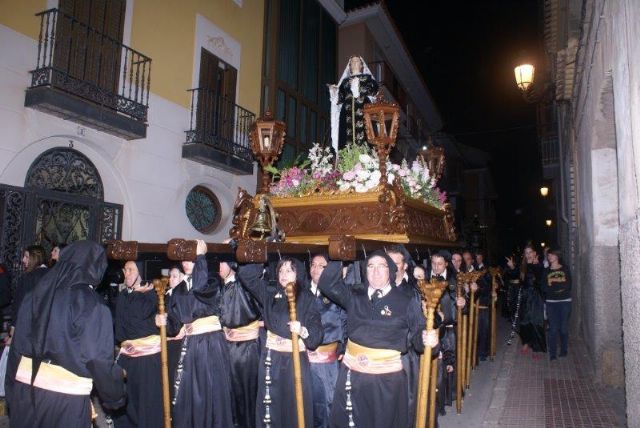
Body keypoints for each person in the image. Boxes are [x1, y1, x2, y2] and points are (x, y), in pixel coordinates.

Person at [7, 240, 126, 427]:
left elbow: (17, 349)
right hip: (64, 403)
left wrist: (12, 393)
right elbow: (97, 360)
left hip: (25, 394)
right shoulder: (91, 304)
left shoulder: (34, 295)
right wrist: (115, 395)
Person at [318, 250, 438, 428]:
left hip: (387, 381)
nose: (375, 271)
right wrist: (339, 254)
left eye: (381, 266)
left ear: (390, 271)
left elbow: (418, 335)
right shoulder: (354, 295)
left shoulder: (406, 300)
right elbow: (327, 283)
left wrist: (429, 341)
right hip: (353, 376)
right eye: (370, 266)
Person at [238, 257, 323, 427]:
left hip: (295, 361)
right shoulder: (270, 293)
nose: (283, 274)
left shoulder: (306, 297)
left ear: (297, 273)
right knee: (271, 406)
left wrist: (302, 330)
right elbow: (246, 276)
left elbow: (316, 336)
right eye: (281, 270)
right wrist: (260, 251)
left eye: (289, 270)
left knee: (294, 407)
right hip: (272, 360)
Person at [164, 240, 234, 428]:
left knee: (214, 394)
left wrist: (202, 256)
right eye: (183, 259)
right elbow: (175, 324)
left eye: (191, 258)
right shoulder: (177, 290)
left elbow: (200, 289)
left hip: (211, 344)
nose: (186, 262)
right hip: (191, 346)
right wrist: (164, 322)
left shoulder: (211, 279)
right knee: (192, 395)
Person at [112, 261, 162, 428]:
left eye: (130, 270)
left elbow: (135, 325)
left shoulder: (151, 295)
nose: (126, 273)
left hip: (146, 360)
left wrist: (136, 295)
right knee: (127, 403)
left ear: (140, 273)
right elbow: (120, 331)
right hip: (127, 357)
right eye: (125, 269)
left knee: (145, 405)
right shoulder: (123, 295)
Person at [219, 260, 261, 428]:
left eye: (223, 262)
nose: (219, 267)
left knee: (248, 394)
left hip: (247, 348)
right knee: (230, 394)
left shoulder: (244, 284)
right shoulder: (220, 286)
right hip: (227, 347)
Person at [5, 245, 48, 405]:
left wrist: (13, 333)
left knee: (19, 375)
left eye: (26, 256)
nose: (23, 260)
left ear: (34, 258)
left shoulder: (28, 278)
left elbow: (19, 308)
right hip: (45, 335)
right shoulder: (53, 276)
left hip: (25, 335)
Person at [307, 254, 346, 428]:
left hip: (328, 361)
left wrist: (343, 348)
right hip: (304, 358)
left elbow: (346, 322)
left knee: (330, 403)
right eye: (313, 265)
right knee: (309, 404)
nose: (315, 269)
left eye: (321, 266)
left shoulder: (337, 293)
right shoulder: (300, 293)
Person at [329, 56, 379, 152]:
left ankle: (367, 157)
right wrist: (334, 92)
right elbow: (340, 99)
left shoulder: (367, 79)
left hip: (364, 110)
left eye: (357, 61)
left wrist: (358, 88)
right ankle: (346, 157)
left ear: (361, 65)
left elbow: (374, 91)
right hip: (347, 113)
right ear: (350, 66)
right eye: (352, 62)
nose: (355, 63)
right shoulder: (345, 81)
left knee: (366, 133)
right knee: (346, 138)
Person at [507, 245, 546, 359]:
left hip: (535, 297)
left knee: (535, 322)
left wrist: (535, 264)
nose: (528, 254)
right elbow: (516, 277)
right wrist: (512, 267)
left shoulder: (539, 265)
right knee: (524, 322)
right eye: (526, 252)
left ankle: (537, 348)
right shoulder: (522, 266)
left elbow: (540, 279)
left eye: (530, 252)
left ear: (534, 253)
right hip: (524, 297)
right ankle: (526, 343)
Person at [544, 248, 572, 360]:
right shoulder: (546, 271)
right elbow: (544, 286)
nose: (549, 256)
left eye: (551, 254)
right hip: (551, 302)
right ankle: (552, 353)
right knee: (553, 329)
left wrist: (553, 286)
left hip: (565, 302)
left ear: (557, 256)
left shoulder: (565, 268)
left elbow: (568, 285)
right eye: (548, 255)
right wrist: (558, 287)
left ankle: (564, 349)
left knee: (564, 328)